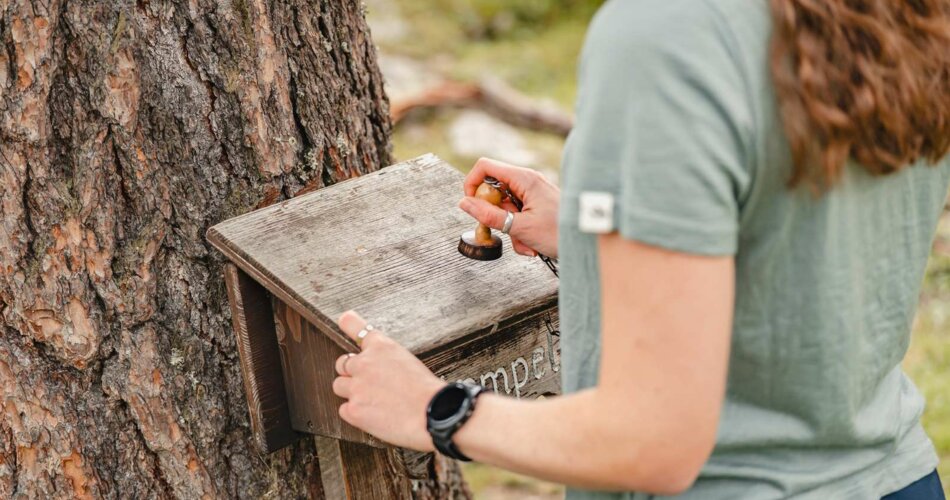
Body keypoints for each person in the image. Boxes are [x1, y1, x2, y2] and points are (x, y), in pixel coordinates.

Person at [329, 0, 950, 497]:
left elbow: (655, 441)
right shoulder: (894, 18)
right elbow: (803, 249)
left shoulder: (666, 34)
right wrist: (607, 228)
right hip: (898, 477)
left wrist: (435, 410)